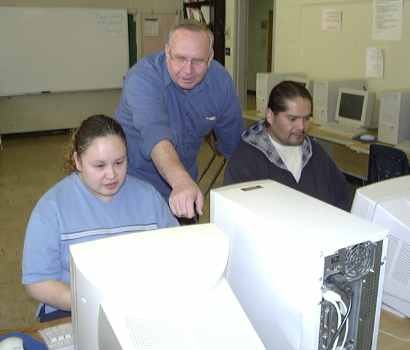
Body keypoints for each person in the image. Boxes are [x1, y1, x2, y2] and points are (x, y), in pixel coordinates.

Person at [22, 115, 178, 322]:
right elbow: (37, 281)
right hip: (72, 308)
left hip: (140, 305)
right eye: (99, 165)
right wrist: (91, 301)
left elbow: (176, 253)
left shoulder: (148, 197)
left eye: (119, 162)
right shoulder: (52, 208)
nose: (111, 174)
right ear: (78, 161)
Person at [116, 20, 243, 220]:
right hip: (134, 186)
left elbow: (233, 143)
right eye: (180, 58)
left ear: (210, 58)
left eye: (198, 61)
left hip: (183, 189)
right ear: (167, 52)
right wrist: (181, 182)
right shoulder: (142, 78)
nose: (188, 70)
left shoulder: (221, 83)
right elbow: (157, 138)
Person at [224, 81, 350, 211]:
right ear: (270, 116)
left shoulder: (314, 151)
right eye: (292, 119)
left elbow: (342, 196)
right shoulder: (245, 160)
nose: (301, 127)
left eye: (306, 118)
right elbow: (239, 214)